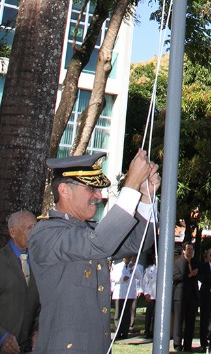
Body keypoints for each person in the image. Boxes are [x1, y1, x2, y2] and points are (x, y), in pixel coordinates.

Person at [29, 150, 159, 354]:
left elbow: (138, 242)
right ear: (64, 190)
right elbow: (100, 243)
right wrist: (131, 185)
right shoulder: (45, 234)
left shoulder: (87, 231)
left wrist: (145, 196)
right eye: (92, 188)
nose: (99, 196)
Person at [0, 210, 39, 354]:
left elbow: (43, 304)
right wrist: (2, 337)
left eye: (35, 227)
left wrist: (37, 330)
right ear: (12, 232)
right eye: (28, 228)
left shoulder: (40, 263)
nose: (34, 232)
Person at [174, 242, 200, 352]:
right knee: (179, 320)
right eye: (188, 249)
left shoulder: (195, 262)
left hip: (192, 295)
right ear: (183, 250)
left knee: (190, 321)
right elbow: (175, 276)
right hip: (180, 295)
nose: (190, 251)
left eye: (192, 249)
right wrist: (189, 275)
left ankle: (188, 344)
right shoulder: (177, 262)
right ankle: (177, 344)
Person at [111, 256, 137, 338]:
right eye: (127, 258)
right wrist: (122, 279)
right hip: (120, 293)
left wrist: (134, 267)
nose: (128, 260)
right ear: (123, 258)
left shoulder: (132, 266)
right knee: (118, 313)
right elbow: (112, 277)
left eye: (129, 258)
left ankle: (125, 332)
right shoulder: (117, 266)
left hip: (129, 294)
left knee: (127, 314)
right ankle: (118, 331)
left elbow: (139, 276)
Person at [142, 258, 157, 339]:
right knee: (149, 315)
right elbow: (144, 282)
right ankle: (147, 331)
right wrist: (146, 293)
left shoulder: (165, 269)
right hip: (151, 295)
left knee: (156, 315)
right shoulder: (149, 270)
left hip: (159, 296)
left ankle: (155, 331)